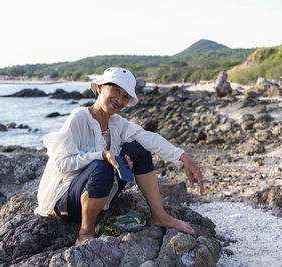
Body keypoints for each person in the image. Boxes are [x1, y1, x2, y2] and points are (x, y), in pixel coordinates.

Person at [34, 67, 204, 244]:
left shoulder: (117, 124)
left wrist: (184, 156)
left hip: (99, 195)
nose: (120, 100)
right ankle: (86, 231)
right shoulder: (80, 117)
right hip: (66, 204)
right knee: (101, 165)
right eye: (116, 90)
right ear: (99, 87)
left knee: (138, 149)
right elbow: (61, 163)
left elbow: (150, 138)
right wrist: (103, 155)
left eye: (125, 96)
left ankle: (159, 215)